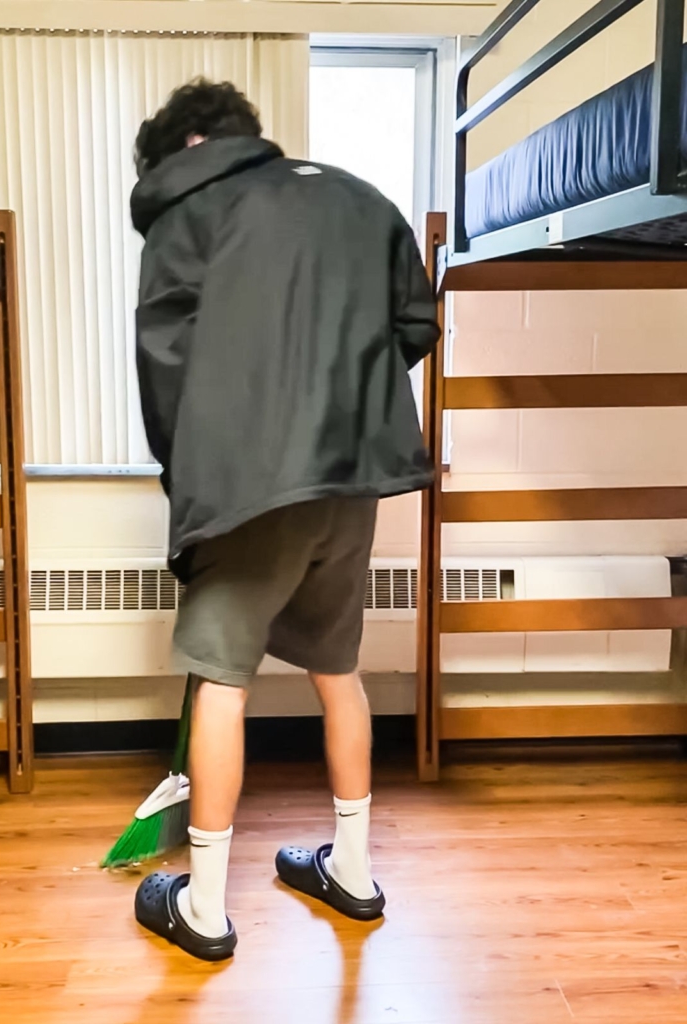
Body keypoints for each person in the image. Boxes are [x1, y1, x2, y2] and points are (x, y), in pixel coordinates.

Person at [130, 79, 439, 962]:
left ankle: (203, 908)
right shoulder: (359, 199)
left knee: (222, 680)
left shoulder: (189, 211)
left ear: (187, 149)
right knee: (338, 670)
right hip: (351, 476)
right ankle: (351, 870)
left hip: (245, 482)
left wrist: (187, 479)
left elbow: (167, 369)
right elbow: (414, 325)